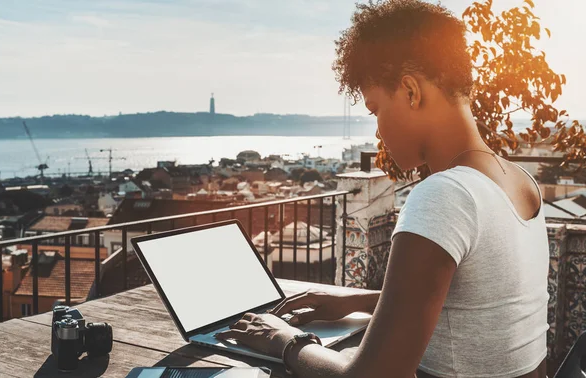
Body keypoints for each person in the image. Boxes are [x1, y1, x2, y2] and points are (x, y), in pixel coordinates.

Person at [216, 1, 549, 376]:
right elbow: (477, 301)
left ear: (410, 91)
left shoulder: (447, 194)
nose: (377, 133)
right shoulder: (521, 182)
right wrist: (352, 301)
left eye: (375, 110)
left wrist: (284, 341)